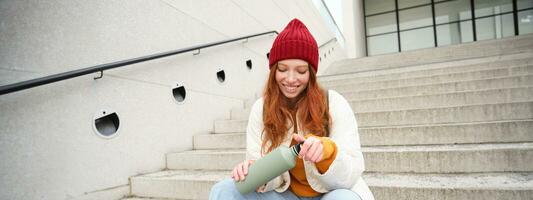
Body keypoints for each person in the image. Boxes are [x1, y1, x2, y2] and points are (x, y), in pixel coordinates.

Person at [209, 18, 374, 200]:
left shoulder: (334, 102)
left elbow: (351, 172)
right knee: (224, 190)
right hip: (285, 195)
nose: (290, 79)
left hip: (330, 193)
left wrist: (327, 153)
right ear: (273, 70)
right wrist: (254, 172)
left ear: (311, 73)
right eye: (282, 69)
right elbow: (259, 165)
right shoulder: (261, 108)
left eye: (301, 71)